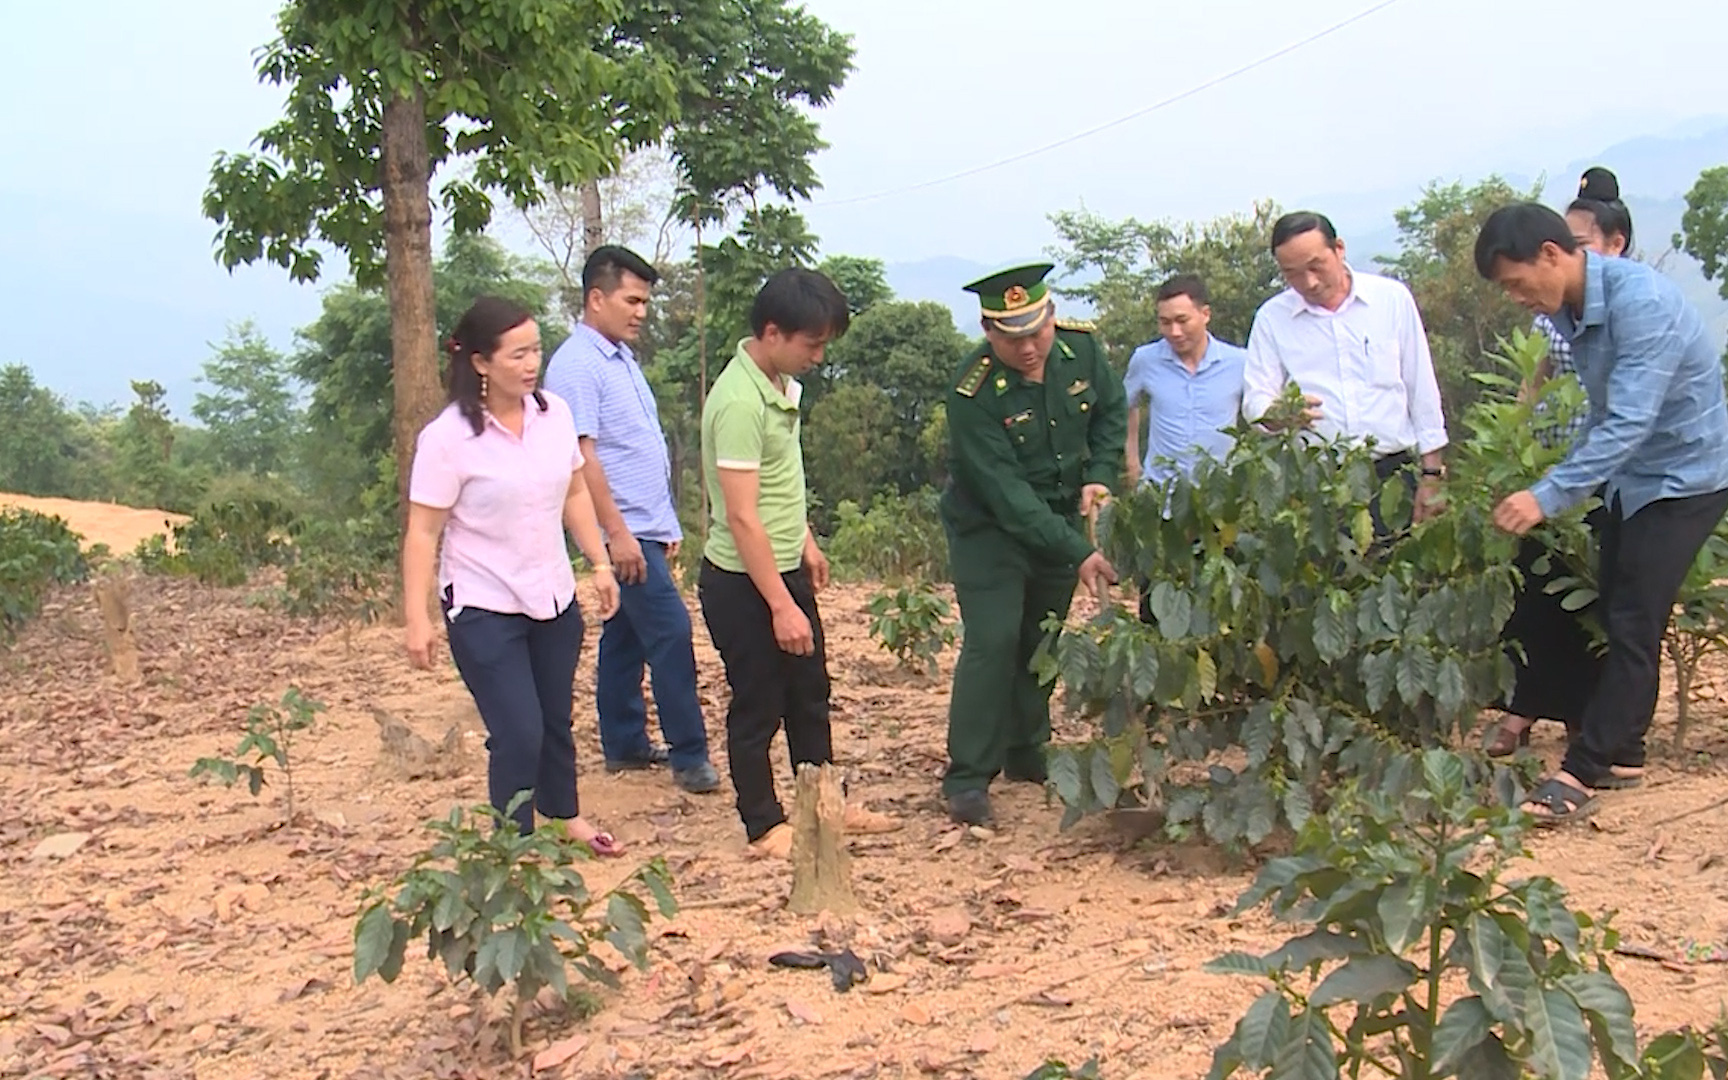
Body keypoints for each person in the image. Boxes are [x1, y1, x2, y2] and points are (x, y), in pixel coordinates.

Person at [1476, 202, 1728, 824]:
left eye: (1515, 282)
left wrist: (1548, 494)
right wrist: (1562, 477)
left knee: (1634, 622)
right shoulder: (1566, 310)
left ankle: (1580, 771)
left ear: (1552, 255)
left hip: (1685, 477)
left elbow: (1629, 422)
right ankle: (1626, 754)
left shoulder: (1642, 305)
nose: (1515, 298)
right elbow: (1599, 410)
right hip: (1631, 478)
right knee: (1615, 605)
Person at [402, 296, 624, 850]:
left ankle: (563, 815)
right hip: (482, 602)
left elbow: (574, 490)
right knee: (517, 730)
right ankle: (511, 844)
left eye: (536, 351)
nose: (531, 365)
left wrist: (598, 563)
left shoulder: (554, 415)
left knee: (554, 719)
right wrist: (416, 618)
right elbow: (423, 531)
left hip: (551, 594)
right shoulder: (448, 437)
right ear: (480, 363)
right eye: (517, 354)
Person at [698, 268, 901, 858]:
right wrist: (780, 605)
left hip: (783, 565)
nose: (818, 356)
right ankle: (762, 824)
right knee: (759, 701)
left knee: (809, 691)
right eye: (811, 344)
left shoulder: (782, 387)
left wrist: (806, 539)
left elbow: (780, 485)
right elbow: (740, 515)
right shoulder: (738, 402)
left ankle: (823, 804)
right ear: (772, 332)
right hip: (744, 581)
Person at [940, 263, 1126, 827]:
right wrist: (1079, 550)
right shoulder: (971, 392)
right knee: (993, 640)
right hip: (990, 529)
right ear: (987, 333)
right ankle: (968, 776)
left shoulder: (1083, 351)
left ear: (1051, 316)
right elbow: (1007, 495)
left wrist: (1100, 474)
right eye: (1012, 337)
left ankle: (1028, 749)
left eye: (1037, 331)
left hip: (1061, 520)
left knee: (1041, 639)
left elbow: (1111, 416)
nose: (1028, 347)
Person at [542, 245, 720, 795]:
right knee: (669, 632)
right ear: (597, 298)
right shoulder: (576, 364)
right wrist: (615, 535)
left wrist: (661, 528)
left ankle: (623, 743)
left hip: (643, 526)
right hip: (620, 531)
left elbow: (632, 449)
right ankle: (690, 755)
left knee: (625, 636)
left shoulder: (619, 358)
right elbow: (582, 457)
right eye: (632, 299)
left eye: (646, 300)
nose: (641, 311)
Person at [1485, 167, 1634, 757]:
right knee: (1535, 590)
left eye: (1583, 240)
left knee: (1589, 596)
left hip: (1602, 471)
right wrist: (1517, 444)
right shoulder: (1551, 310)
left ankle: (1583, 718)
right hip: (1548, 465)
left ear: (1613, 244)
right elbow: (1535, 377)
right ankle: (1521, 710)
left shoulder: (1629, 304)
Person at [1242, 212, 1449, 533]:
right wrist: (1280, 414)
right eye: (1292, 274)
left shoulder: (1390, 299)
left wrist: (1432, 474)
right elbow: (1255, 401)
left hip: (1393, 474)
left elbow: (1421, 388)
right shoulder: (1272, 319)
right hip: (1318, 480)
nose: (1308, 282)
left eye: (1315, 266)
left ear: (1338, 249)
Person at [1125, 274, 1247, 486]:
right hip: (1160, 494)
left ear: (1205, 314)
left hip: (1221, 496)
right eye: (1165, 323)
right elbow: (1125, 406)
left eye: (1182, 321)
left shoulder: (1239, 362)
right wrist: (1133, 463)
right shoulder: (1145, 360)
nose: (1174, 332)